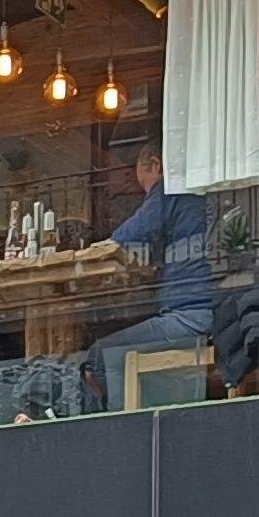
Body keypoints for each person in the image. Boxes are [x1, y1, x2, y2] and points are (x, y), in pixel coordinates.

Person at [76, 147, 218, 414]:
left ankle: (118, 426)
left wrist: (98, 250)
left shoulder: (172, 189)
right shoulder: (199, 200)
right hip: (207, 314)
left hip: (190, 317)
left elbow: (133, 231)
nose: (147, 194)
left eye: (145, 184)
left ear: (156, 165)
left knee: (104, 354)